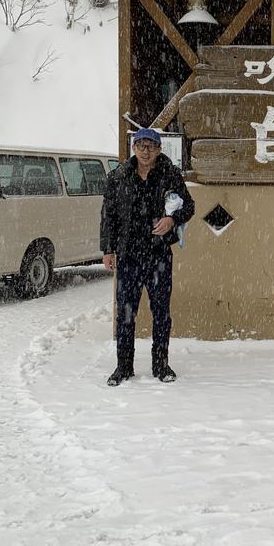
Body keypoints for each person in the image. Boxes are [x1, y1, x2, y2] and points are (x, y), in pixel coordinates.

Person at [100, 128, 195, 387]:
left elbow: (189, 206)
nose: (145, 151)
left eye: (151, 146)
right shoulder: (119, 177)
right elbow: (108, 214)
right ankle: (123, 366)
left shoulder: (170, 174)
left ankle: (161, 365)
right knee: (126, 314)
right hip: (128, 255)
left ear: (159, 149)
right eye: (141, 145)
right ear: (133, 148)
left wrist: (171, 219)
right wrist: (108, 250)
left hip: (158, 254)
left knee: (161, 312)